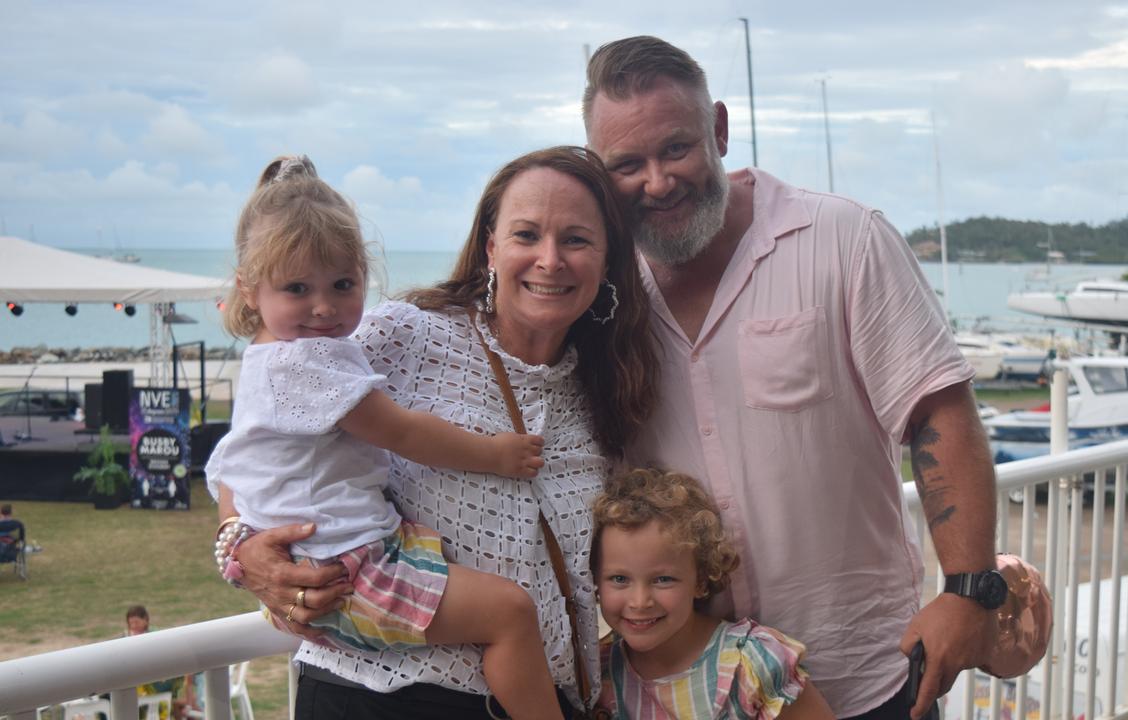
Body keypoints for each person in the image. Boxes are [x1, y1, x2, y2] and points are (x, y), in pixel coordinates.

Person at [582, 37, 999, 720]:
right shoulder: (601, 292)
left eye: (676, 149)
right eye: (628, 164)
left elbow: (938, 414)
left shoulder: (843, 238)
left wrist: (967, 588)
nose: (657, 182)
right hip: (689, 695)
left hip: (865, 674)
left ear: (718, 128)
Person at [215, 146, 658, 719]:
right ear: (491, 246)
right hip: (377, 699)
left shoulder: (610, 387)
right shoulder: (399, 338)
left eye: (575, 240)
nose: (550, 260)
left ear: (607, 258)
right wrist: (241, 550)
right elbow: (253, 445)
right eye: (526, 234)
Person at [590, 468, 834, 719]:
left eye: (663, 579)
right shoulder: (598, 672)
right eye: (619, 579)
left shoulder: (751, 664)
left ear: (701, 580)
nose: (640, 602)